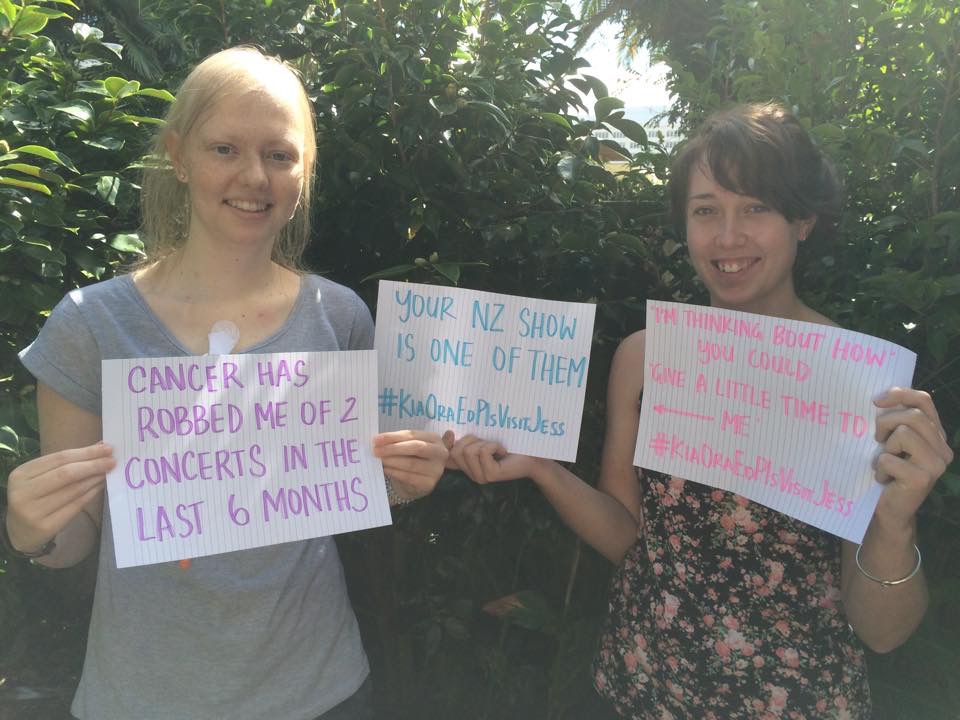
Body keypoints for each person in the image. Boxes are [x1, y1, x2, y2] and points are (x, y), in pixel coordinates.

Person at [446, 103, 953, 718]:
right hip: (645, 689)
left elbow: (883, 632)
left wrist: (895, 523)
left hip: (795, 703)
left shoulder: (855, 384)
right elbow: (632, 541)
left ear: (803, 221)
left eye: (756, 207)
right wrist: (542, 469)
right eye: (706, 210)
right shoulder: (643, 358)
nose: (728, 236)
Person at [2, 46, 448, 720]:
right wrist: (31, 529)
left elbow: (343, 487)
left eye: (280, 154)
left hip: (322, 689)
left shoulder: (340, 316)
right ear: (179, 156)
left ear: (304, 172)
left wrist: (401, 481)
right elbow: (73, 542)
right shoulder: (88, 327)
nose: (254, 176)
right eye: (224, 148)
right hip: (145, 698)